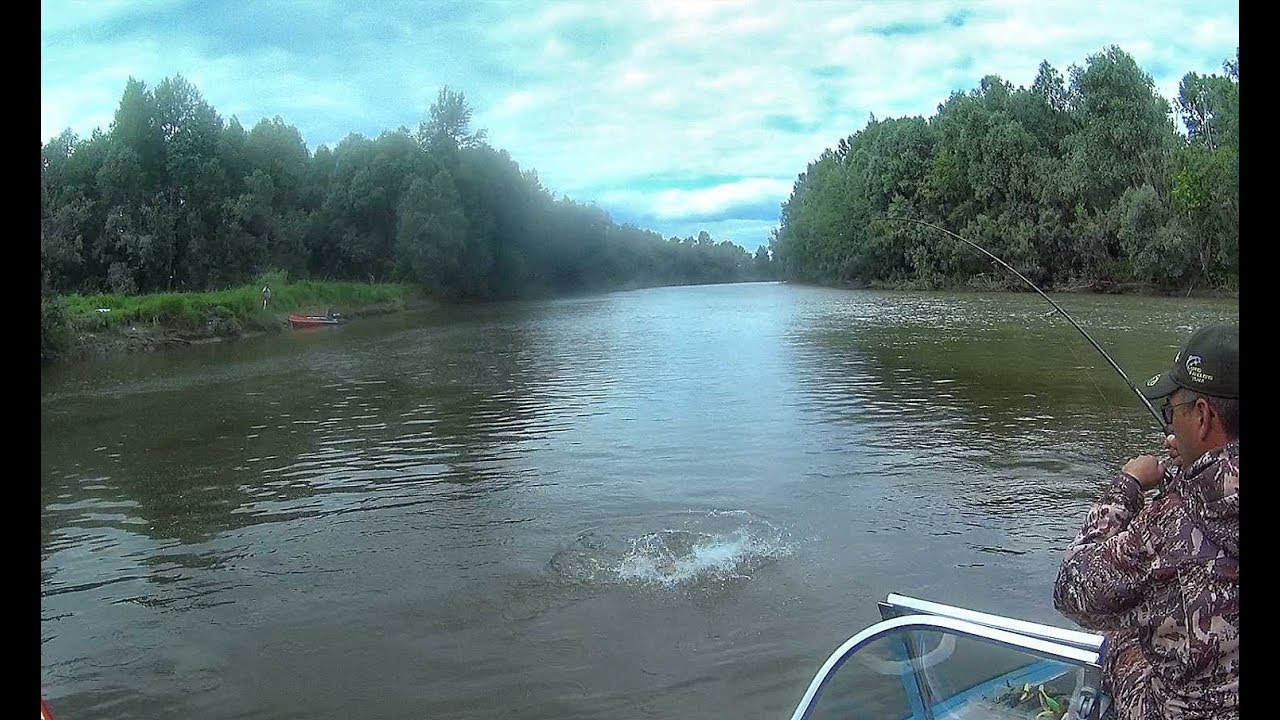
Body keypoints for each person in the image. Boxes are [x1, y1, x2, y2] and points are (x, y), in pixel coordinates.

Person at [1054, 323, 1238, 719]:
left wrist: (1128, 485)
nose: (1170, 425)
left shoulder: (1170, 522)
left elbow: (1072, 589)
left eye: (1172, 412)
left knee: (1121, 631)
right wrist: (1194, 472)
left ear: (1202, 417)